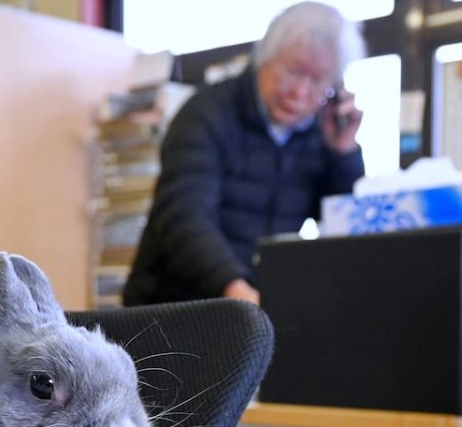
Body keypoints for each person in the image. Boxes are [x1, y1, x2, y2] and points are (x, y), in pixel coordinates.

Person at [122, 2, 366, 306]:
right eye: (293, 71)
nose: (300, 92)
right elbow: (184, 217)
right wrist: (235, 288)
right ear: (264, 56)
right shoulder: (206, 113)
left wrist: (342, 152)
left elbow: (343, 224)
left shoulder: (320, 133)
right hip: (174, 306)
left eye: (318, 81)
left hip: (252, 302)